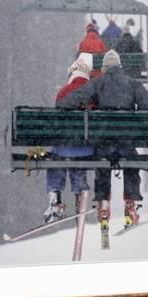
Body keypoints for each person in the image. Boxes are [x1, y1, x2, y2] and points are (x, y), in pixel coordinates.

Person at [56, 49, 148, 226]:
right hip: (126, 143)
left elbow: (76, 98)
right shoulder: (132, 83)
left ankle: (102, 203)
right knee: (132, 166)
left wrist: (62, 104)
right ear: (120, 65)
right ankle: (131, 203)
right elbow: (146, 101)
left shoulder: (97, 83)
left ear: (105, 68)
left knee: (102, 165)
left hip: (104, 142)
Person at [43, 53, 94, 223]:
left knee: (57, 158)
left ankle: (55, 197)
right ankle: (80, 194)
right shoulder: (93, 91)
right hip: (87, 149)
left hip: (64, 146)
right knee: (78, 157)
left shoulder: (63, 92)